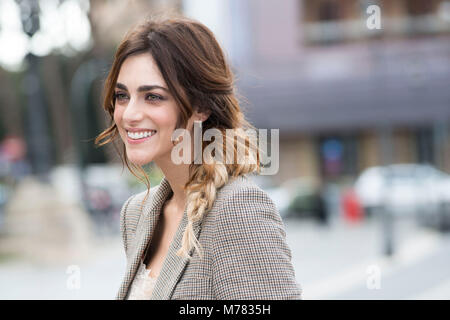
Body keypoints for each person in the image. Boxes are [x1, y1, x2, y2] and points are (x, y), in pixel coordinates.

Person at [95, 14, 302, 300]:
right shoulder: (135, 214)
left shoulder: (238, 210)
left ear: (201, 107)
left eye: (152, 96)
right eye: (122, 96)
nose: (129, 114)